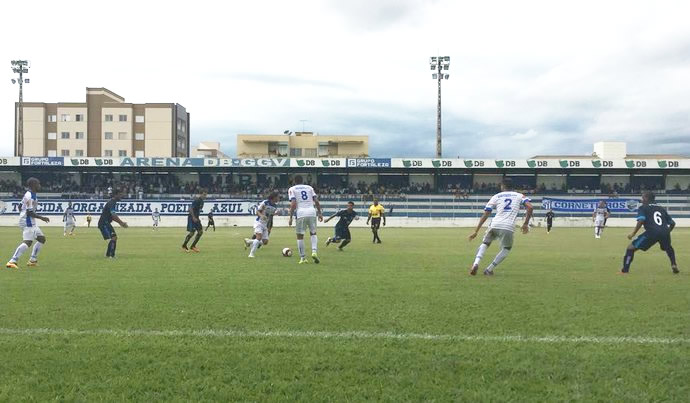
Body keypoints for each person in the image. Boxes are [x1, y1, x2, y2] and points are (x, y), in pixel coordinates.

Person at [468, 178, 533, 275]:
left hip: (494, 224)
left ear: (502, 186)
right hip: (508, 226)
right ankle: (489, 269)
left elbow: (486, 213)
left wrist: (476, 231)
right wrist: (525, 224)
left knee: (485, 243)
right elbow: (530, 207)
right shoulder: (520, 196)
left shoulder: (496, 196)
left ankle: (476, 263)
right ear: (512, 187)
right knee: (507, 248)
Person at [622, 191, 679, 274]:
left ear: (646, 198)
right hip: (665, 231)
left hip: (652, 232)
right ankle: (674, 264)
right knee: (668, 247)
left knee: (630, 248)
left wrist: (633, 233)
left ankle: (625, 270)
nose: (642, 200)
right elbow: (672, 223)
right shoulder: (661, 208)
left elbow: (641, 220)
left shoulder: (643, 207)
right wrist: (667, 232)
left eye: (643, 198)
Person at [6, 178, 50, 268]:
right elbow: (29, 212)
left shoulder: (29, 194)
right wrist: (42, 218)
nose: (39, 185)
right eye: (38, 184)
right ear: (33, 185)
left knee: (41, 239)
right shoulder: (30, 196)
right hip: (28, 221)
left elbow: (19, 206)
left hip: (29, 220)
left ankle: (32, 260)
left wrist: (22, 213)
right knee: (28, 242)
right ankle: (12, 261)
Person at [288, 175, 323, 264]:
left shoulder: (292, 189)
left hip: (301, 213)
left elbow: (293, 204)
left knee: (300, 236)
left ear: (294, 181)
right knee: (313, 233)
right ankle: (314, 252)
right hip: (312, 212)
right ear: (302, 180)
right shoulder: (309, 188)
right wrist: (319, 213)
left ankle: (303, 258)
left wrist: (291, 217)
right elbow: (316, 201)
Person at [245, 192, 279, 258]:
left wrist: (269, 226)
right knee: (258, 237)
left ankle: (249, 241)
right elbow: (257, 211)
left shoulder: (275, 206)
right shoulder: (265, 203)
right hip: (259, 222)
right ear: (274, 197)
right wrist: (261, 216)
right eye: (277, 197)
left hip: (265, 225)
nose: (278, 198)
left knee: (265, 242)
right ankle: (251, 254)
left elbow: (270, 216)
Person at [98, 188, 128, 258]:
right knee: (114, 238)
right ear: (116, 195)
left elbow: (112, 216)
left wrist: (120, 223)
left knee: (114, 238)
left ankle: (108, 255)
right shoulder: (112, 203)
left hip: (105, 222)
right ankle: (111, 255)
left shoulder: (112, 202)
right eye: (120, 195)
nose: (122, 196)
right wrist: (121, 223)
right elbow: (113, 215)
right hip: (104, 223)